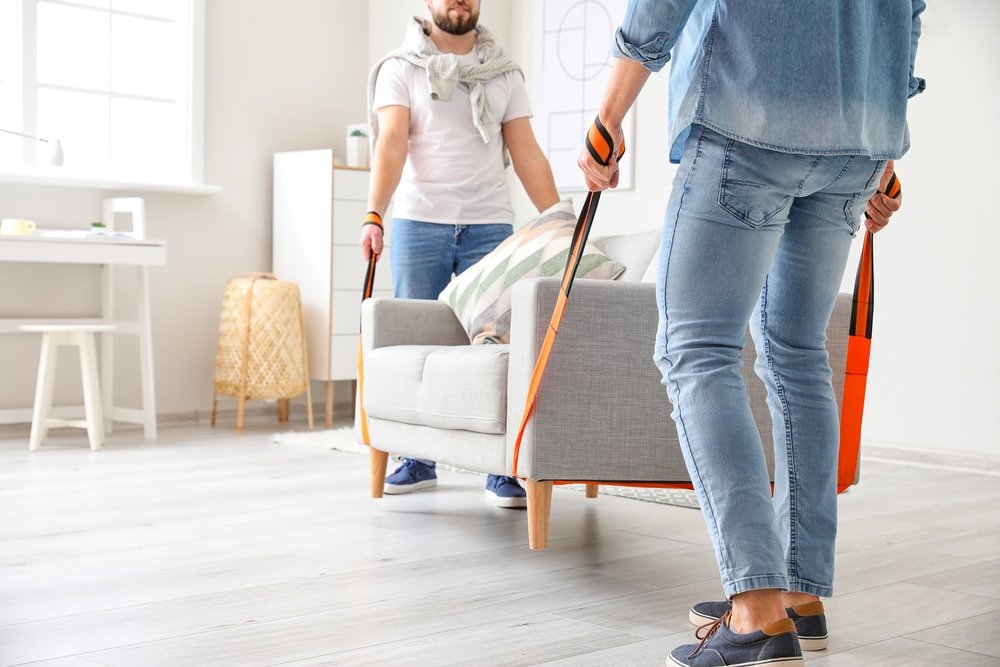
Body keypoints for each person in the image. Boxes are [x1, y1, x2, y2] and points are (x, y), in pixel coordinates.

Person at [578, 2, 924, 665]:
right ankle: (798, 595)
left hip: (750, 112)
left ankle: (757, 612)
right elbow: (906, 14)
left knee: (697, 351)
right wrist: (885, 140)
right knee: (798, 354)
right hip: (858, 142)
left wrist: (610, 113)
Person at [361, 0, 560, 508]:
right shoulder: (400, 68)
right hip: (418, 222)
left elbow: (527, 152)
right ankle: (417, 458)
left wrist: (560, 220)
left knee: (496, 344)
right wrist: (374, 214)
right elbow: (391, 144)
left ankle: (500, 467)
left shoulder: (503, 73)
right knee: (417, 341)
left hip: (490, 224)